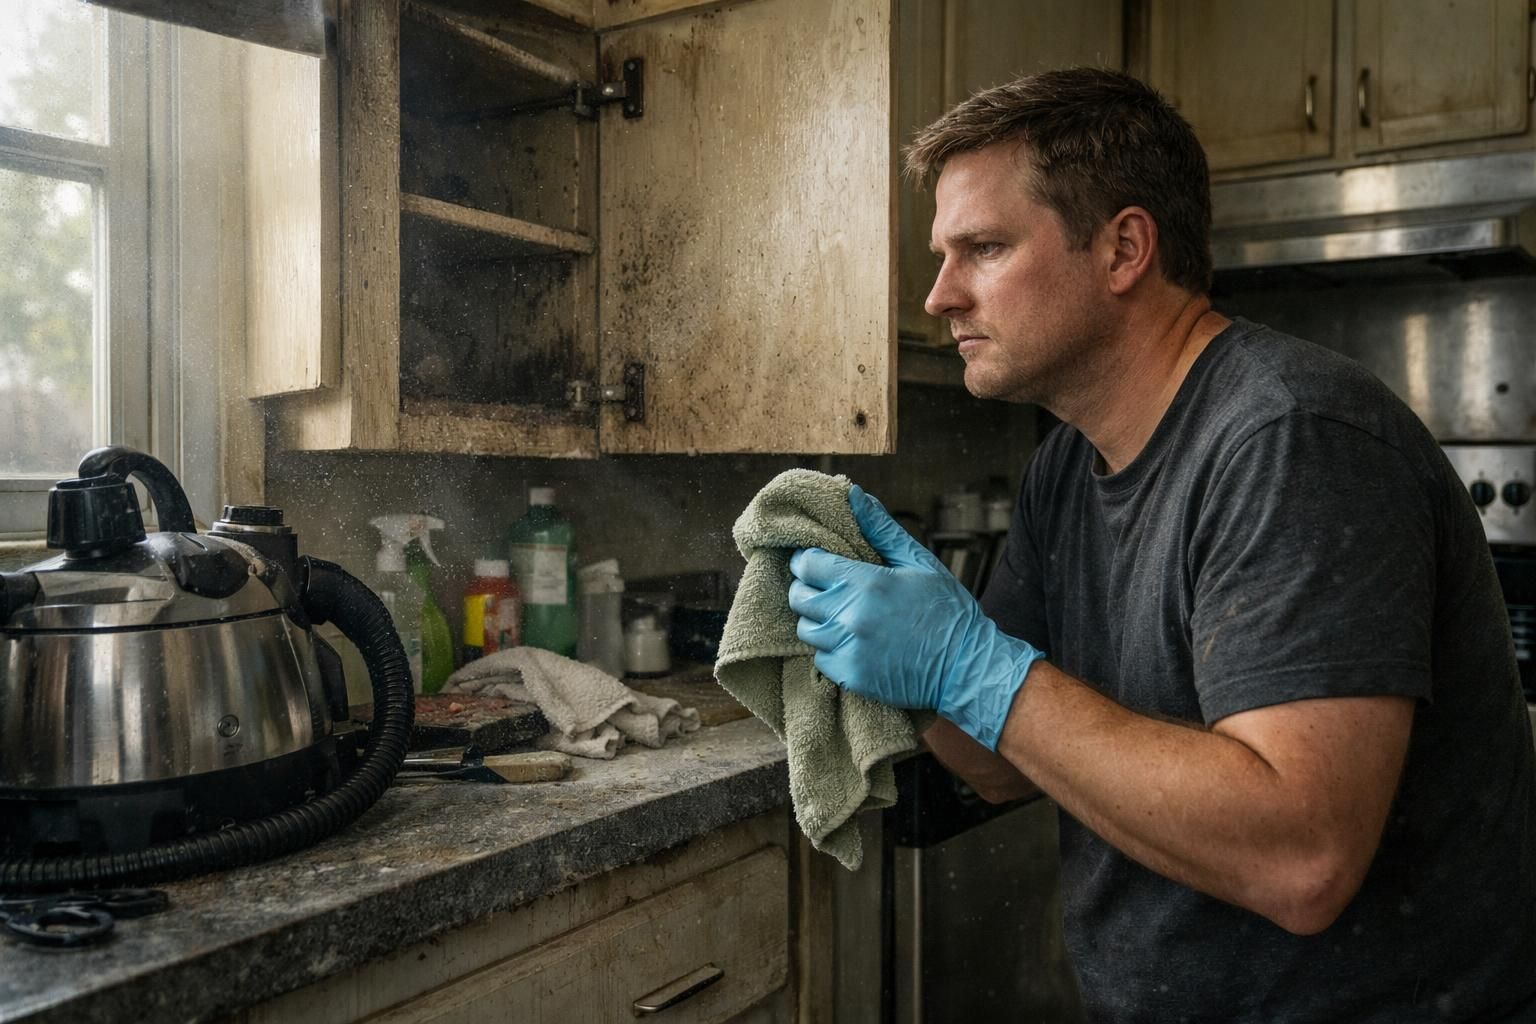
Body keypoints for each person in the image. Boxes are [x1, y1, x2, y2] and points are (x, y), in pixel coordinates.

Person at [787, 67, 1536, 1022]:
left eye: (984, 248)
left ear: (1124, 249)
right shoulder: (1066, 467)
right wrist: (901, 662)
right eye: (944, 255)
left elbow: (1303, 858)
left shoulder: (1292, 439)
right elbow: (1004, 761)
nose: (939, 296)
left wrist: (969, 665)